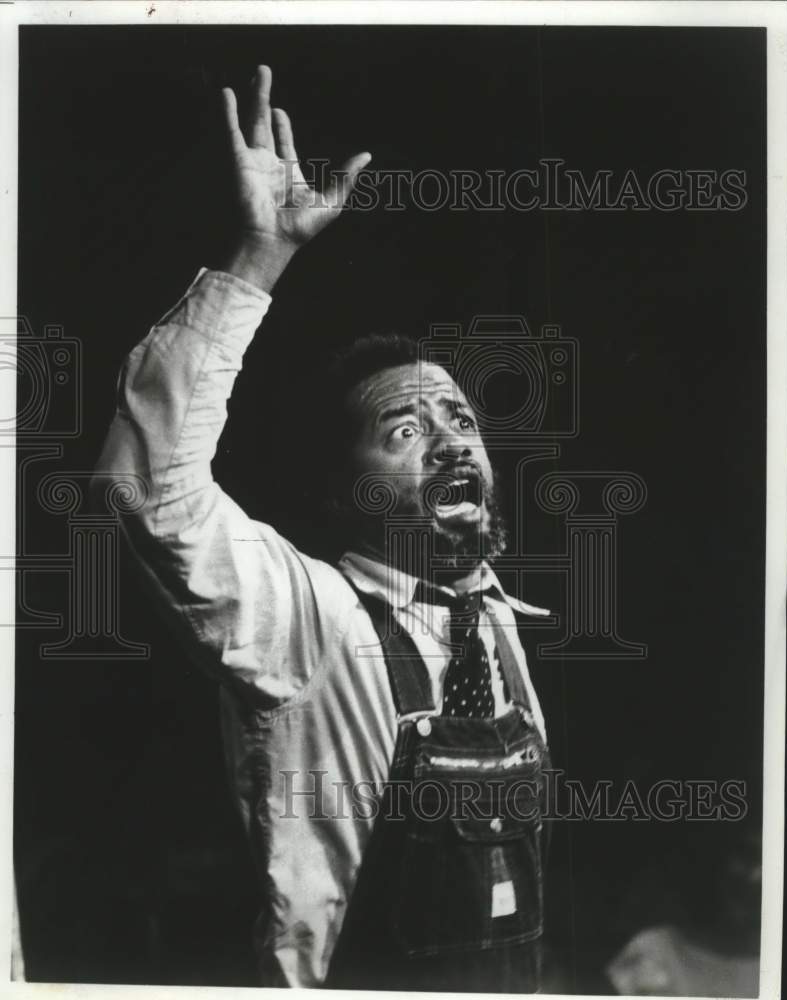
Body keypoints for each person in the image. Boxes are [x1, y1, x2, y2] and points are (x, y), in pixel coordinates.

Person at [95, 65, 552, 991]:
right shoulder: (310, 620)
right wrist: (258, 257)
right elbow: (148, 488)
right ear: (345, 496)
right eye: (404, 430)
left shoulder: (500, 629)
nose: (449, 444)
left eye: (460, 422)